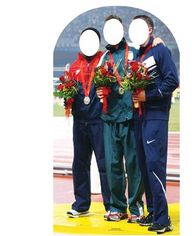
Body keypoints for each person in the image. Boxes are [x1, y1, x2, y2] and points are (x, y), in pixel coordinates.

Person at [131, 15, 179, 234]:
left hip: (156, 116)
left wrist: (147, 96)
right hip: (140, 118)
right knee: (144, 166)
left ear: (149, 29)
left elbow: (172, 80)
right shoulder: (139, 56)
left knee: (154, 166)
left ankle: (163, 218)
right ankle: (153, 211)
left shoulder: (160, 50)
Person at [96, 15, 145, 223]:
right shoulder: (103, 57)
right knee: (113, 164)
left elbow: (144, 73)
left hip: (131, 116)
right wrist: (99, 91)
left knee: (134, 164)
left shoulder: (133, 52)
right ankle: (117, 206)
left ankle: (135, 207)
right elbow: (98, 83)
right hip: (109, 117)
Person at [66, 28, 111, 218]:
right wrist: (66, 97)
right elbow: (70, 93)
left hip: (99, 120)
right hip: (80, 122)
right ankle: (82, 203)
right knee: (80, 163)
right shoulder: (74, 66)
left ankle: (112, 205)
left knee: (105, 163)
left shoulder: (105, 63)